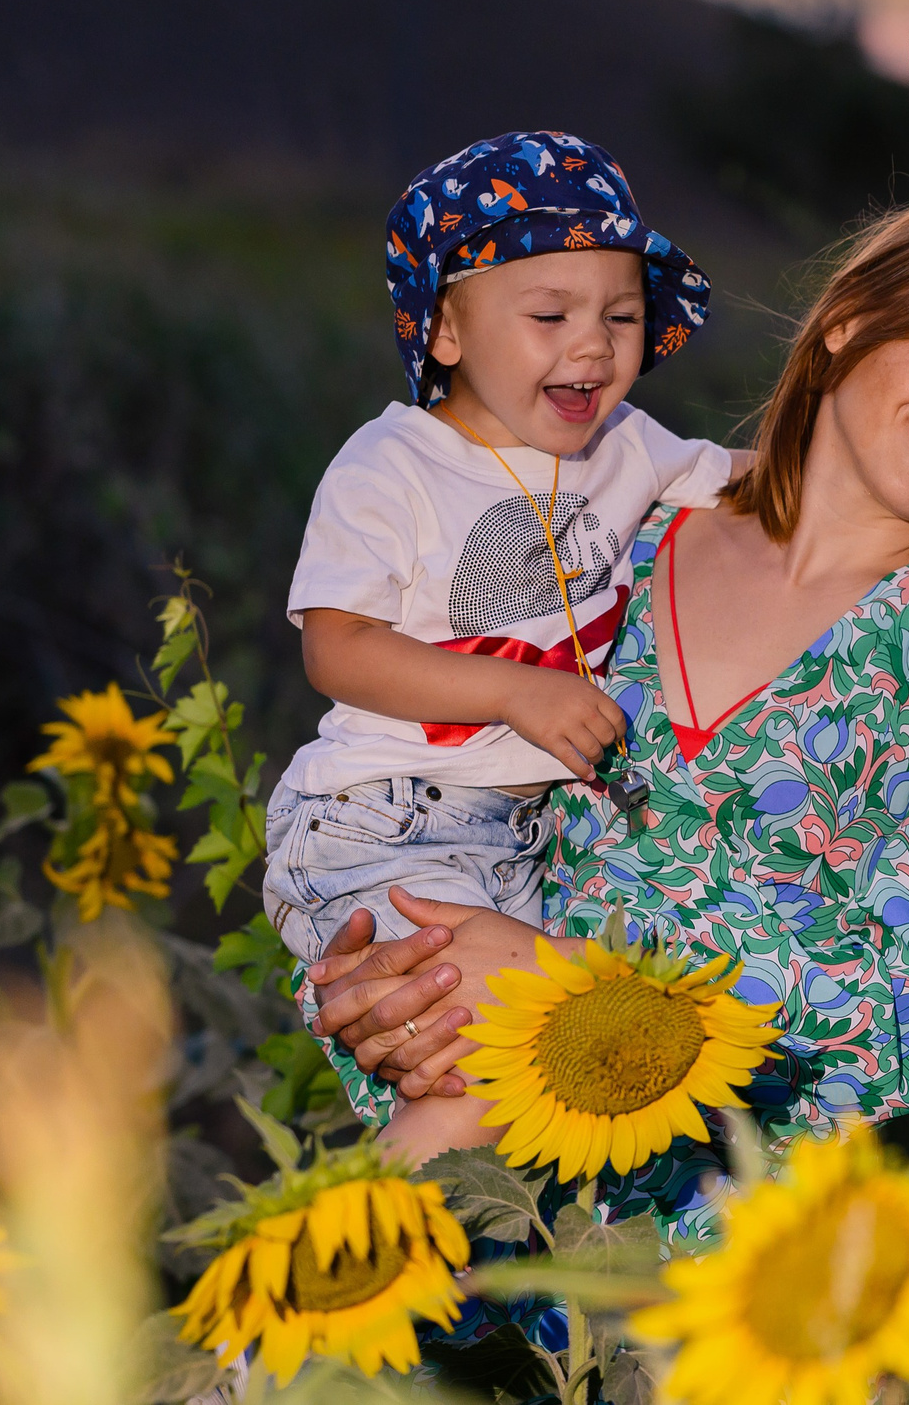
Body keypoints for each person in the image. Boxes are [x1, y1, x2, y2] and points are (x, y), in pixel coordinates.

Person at [300, 198, 909, 1192]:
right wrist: (389, 984)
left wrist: (566, 986)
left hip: (720, 1252)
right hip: (482, 1164)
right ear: (849, 320)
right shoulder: (609, 529)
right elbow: (427, 792)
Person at [265, 128, 719, 1162]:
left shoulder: (630, 446)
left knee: (492, 1086)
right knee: (573, 1014)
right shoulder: (394, 463)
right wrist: (515, 694)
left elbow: (755, 488)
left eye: (621, 314)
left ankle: (357, 1277)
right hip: (376, 820)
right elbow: (336, 648)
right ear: (449, 332)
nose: (594, 345)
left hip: (510, 843)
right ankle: (309, 1284)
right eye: (549, 313)